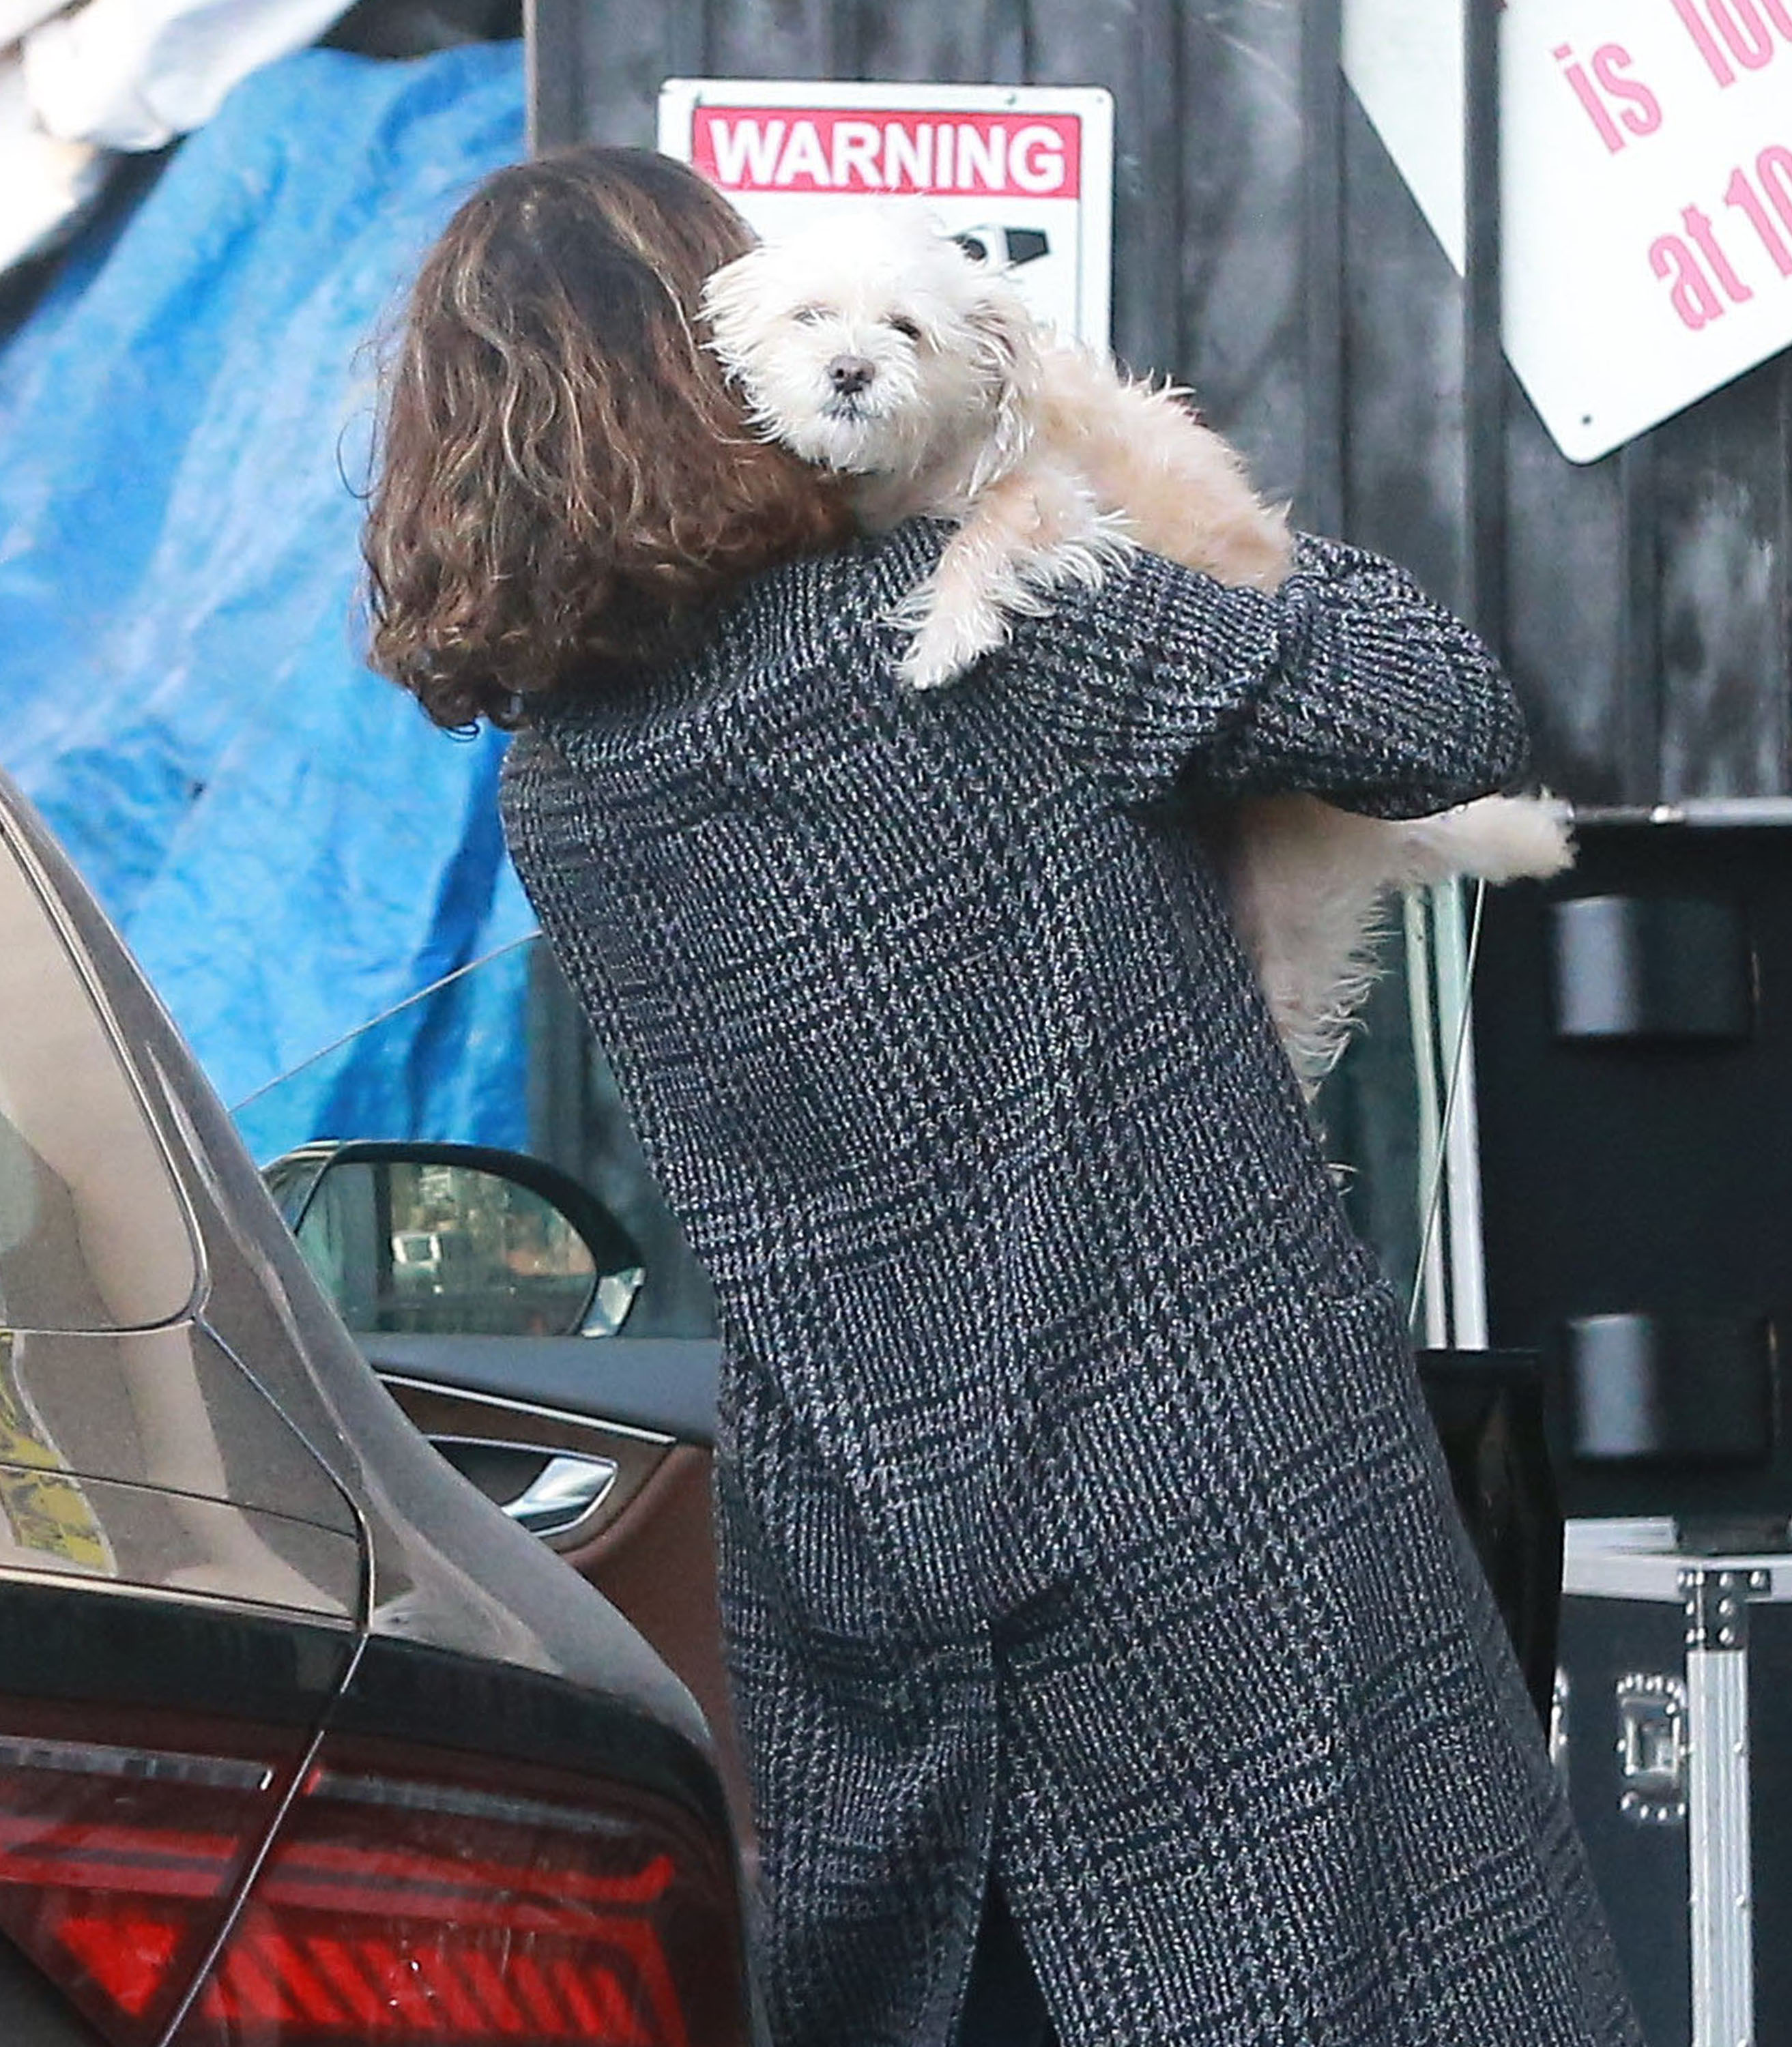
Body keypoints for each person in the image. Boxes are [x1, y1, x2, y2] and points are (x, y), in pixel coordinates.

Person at [363, 146, 1641, 2047]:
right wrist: (1147, 484)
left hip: (862, 1540)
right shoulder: (986, 625)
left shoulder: (562, 792)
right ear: (719, 360)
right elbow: (1438, 707)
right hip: (1205, 1484)